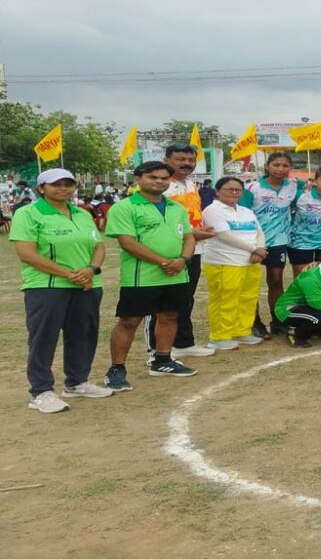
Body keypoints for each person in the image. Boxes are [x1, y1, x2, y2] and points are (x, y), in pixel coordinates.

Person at [11, 168, 112, 413]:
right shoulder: (28, 213)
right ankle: (41, 391)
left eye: (68, 183)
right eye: (56, 184)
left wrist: (91, 270)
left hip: (87, 284)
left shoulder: (81, 213)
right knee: (44, 337)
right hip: (46, 286)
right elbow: (27, 253)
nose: (63, 188)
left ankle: (77, 382)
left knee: (83, 334)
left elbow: (98, 246)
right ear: (41, 188)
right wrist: (69, 274)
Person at [103, 161, 198, 391]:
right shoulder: (125, 207)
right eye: (152, 177)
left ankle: (162, 360)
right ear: (138, 179)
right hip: (141, 276)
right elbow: (127, 242)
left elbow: (188, 236)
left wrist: (183, 259)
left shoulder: (176, 207)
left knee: (170, 316)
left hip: (176, 274)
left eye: (164, 178)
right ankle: (117, 368)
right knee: (129, 321)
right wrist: (163, 262)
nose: (159, 181)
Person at [145, 144, 217, 360]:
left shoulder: (190, 185)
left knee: (185, 298)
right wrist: (193, 233)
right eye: (180, 159)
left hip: (194, 249)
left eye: (190, 160)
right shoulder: (161, 186)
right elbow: (158, 220)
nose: (186, 163)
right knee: (163, 302)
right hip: (169, 251)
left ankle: (184, 343)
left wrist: (201, 231)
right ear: (166, 160)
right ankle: (156, 350)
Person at [200, 176, 267, 352]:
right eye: (229, 189)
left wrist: (260, 248)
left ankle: (242, 331)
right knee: (225, 299)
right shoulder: (212, 210)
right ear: (218, 191)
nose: (234, 193)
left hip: (250, 261)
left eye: (238, 190)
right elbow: (224, 235)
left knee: (248, 297)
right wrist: (254, 249)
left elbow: (259, 232)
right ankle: (220, 336)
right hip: (224, 261)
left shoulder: (246, 211)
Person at [241, 152, 299, 337]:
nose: (280, 169)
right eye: (276, 165)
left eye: (285, 165)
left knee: (275, 281)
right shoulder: (252, 188)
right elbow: (242, 214)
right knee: (251, 284)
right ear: (267, 166)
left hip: (279, 241)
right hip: (253, 242)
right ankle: (254, 322)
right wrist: (249, 243)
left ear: (290, 168)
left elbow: (320, 186)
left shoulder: (294, 186)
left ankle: (278, 321)